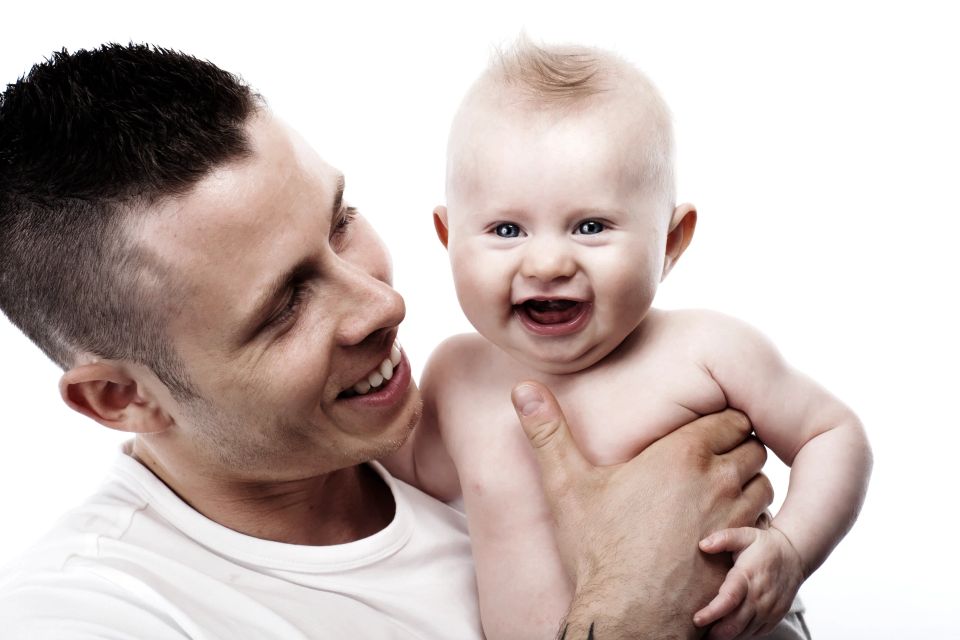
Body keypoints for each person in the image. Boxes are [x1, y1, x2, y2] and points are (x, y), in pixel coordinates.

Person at [0, 44, 775, 639]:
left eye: (341, 220)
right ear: (120, 396)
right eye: (283, 304)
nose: (386, 302)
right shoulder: (86, 614)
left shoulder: (493, 420)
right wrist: (629, 609)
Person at [382, 40, 873, 640]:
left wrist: (793, 550)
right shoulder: (458, 375)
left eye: (590, 226)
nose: (547, 261)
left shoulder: (706, 352)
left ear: (670, 242)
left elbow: (833, 433)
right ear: (448, 236)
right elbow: (401, 469)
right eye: (506, 229)